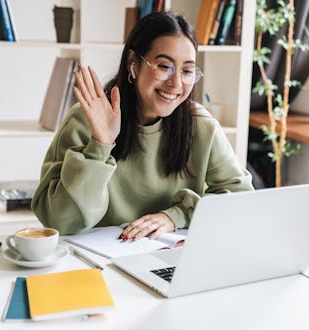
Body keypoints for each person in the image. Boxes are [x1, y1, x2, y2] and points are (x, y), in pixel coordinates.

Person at [31, 11, 254, 241]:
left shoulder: (201, 125)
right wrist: (101, 145)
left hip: (169, 256)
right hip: (98, 260)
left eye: (187, 71)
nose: (176, 83)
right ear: (133, 64)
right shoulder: (86, 119)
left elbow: (241, 200)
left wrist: (176, 216)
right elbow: (59, 221)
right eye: (163, 66)